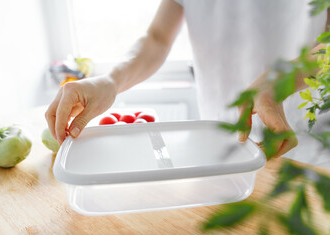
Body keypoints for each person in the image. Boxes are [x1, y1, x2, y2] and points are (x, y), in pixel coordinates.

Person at [46, 0, 329, 158]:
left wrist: (279, 80)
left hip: (308, 145)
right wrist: (109, 81)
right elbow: (157, 38)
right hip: (221, 143)